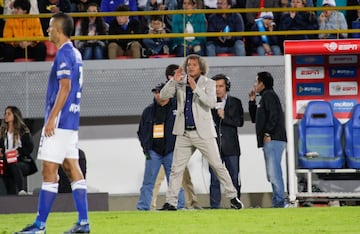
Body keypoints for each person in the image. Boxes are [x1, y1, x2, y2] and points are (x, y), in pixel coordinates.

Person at [16, 12, 89, 234]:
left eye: (49, 27)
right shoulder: (75, 53)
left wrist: (51, 119)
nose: (47, 31)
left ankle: (39, 225)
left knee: (49, 172)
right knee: (72, 168)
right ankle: (84, 223)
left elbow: (65, 87)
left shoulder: (64, 54)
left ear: (57, 30)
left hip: (60, 121)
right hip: (71, 121)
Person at [159, 54, 244, 210]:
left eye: (194, 65)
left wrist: (195, 88)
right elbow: (163, 96)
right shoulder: (180, 82)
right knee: (176, 169)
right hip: (184, 132)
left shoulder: (209, 83)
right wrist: (173, 81)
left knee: (217, 166)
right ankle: (171, 202)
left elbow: (211, 103)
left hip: (202, 133)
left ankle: (233, 197)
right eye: (188, 64)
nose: (190, 67)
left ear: (201, 68)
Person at [151, 64, 201, 210]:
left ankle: (192, 203)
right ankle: (151, 205)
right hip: (163, 149)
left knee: (185, 178)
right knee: (158, 178)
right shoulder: (165, 97)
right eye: (177, 74)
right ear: (170, 77)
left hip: (178, 146)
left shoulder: (179, 98)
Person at [136, 82, 186, 210]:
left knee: (175, 181)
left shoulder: (178, 108)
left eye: (160, 92)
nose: (158, 95)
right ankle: (143, 207)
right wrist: (146, 148)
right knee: (148, 181)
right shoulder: (148, 111)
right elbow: (141, 132)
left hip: (172, 150)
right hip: (153, 151)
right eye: (156, 92)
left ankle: (179, 206)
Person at [248, 71, 287, 208]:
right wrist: (252, 102)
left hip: (274, 139)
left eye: (256, 81)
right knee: (272, 173)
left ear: (262, 84)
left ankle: (280, 202)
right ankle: (279, 201)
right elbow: (255, 119)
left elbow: (274, 115)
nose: (254, 84)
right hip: (271, 139)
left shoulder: (269, 95)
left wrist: (268, 133)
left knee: (274, 173)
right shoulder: (264, 97)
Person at [209, 74, 244, 209]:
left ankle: (236, 204)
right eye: (215, 87)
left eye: (221, 86)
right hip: (214, 147)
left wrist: (225, 117)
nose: (218, 89)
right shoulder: (208, 103)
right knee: (214, 179)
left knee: (234, 177)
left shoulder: (235, 102)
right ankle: (215, 206)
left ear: (227, 87)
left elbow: (239, 122)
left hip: (231, 147)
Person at [0, 106, 36, 195]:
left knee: (14, 165)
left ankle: (21, 190)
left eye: (9, 114)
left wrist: (18, 151)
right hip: (6, 160)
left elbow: (30, 147)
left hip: (21, 161)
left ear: (15, 116)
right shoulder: (3, 132)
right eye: (5, 113)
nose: (6, 116)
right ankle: (11, 195)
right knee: (6, 169)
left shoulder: (23, 130)